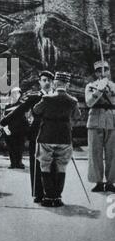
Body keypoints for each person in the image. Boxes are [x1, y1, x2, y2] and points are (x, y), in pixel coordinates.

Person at [0, 71, 54, 202]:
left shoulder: (56, 96)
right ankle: (38, 193)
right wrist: (3, 122)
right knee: (36, 163)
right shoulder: (35, 97)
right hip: (37, 132)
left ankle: (52, 192)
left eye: (49, 80)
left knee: (53, 163)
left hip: (53, 132)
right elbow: (20, 110)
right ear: (40, 82)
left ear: (53, 82)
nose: (47, 83)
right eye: (44, 80)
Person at [33, 72, 81, 207]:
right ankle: (58, 197)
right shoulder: (73, 101)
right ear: (67, 84)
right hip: (64, 137)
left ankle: (48, 197)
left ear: (55, 83)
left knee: (45, 166)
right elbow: (77, 115)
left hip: (47, 136)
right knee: (61, 167)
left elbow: (36, 111)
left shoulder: (47, 98)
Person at [85, 61, 115, 193]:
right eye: (99, 70)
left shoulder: (114, 86)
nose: (102, 72)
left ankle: (110, 182)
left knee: (113, 154)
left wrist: (109, 89)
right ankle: (98, 181)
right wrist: (99, 89)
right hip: (95, 121)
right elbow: (89, 102)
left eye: (105, 69)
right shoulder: (90, 86)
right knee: (94, 153)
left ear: (109, 71)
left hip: (112, 121)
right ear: (96, 73)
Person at [0, 87, 29, 169]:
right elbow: (3, 118)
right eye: (13, 93)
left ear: (20, 94)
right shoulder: (7, 106)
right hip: (10, 130)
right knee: (11, 147)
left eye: (17, 93)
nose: (15, 95)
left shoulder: (23, 105)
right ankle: (12, 163)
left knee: (20, 147)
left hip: (21, 130)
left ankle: (19, 162)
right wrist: (5, 128)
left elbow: (27, 116)